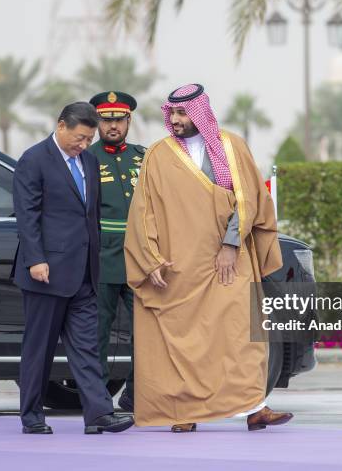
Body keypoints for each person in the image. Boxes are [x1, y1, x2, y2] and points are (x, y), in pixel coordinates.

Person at [124, 84, 294, 432]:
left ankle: (256, 408)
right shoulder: (159, 154)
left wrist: (231, 246)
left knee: (242, 336)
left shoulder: (231, 147)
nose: (176, 119)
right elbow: (144, 212)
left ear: (200, 112)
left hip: (228, 262)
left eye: (183, 113)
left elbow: (248, 201)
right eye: (172, 113)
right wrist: (150, 259)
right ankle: (183, 414)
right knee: (184, 343)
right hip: (178, 266)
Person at [12, 102, 134, 435]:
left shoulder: (90, 162)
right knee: (40, 349)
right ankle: (32, 416)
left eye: (88, 138)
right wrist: (36, 259)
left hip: (84, 273)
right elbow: (27, 215)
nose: (83, 144)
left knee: (87, 347)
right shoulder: (34, 160)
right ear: (61, 126)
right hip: (46, 272)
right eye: (79, 138)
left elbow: (90, 216)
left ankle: (98, 414)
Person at [87, 91, 146, 413]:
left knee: (146, 332)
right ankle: (98, 400)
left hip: (139, 258)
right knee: (98, 333)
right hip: (101, 258)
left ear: (128, 121)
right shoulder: (86, 157)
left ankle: (136, 395)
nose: (113, 126)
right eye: (106, 120)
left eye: (119, 120)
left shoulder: (143, 157)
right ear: (97, 122)